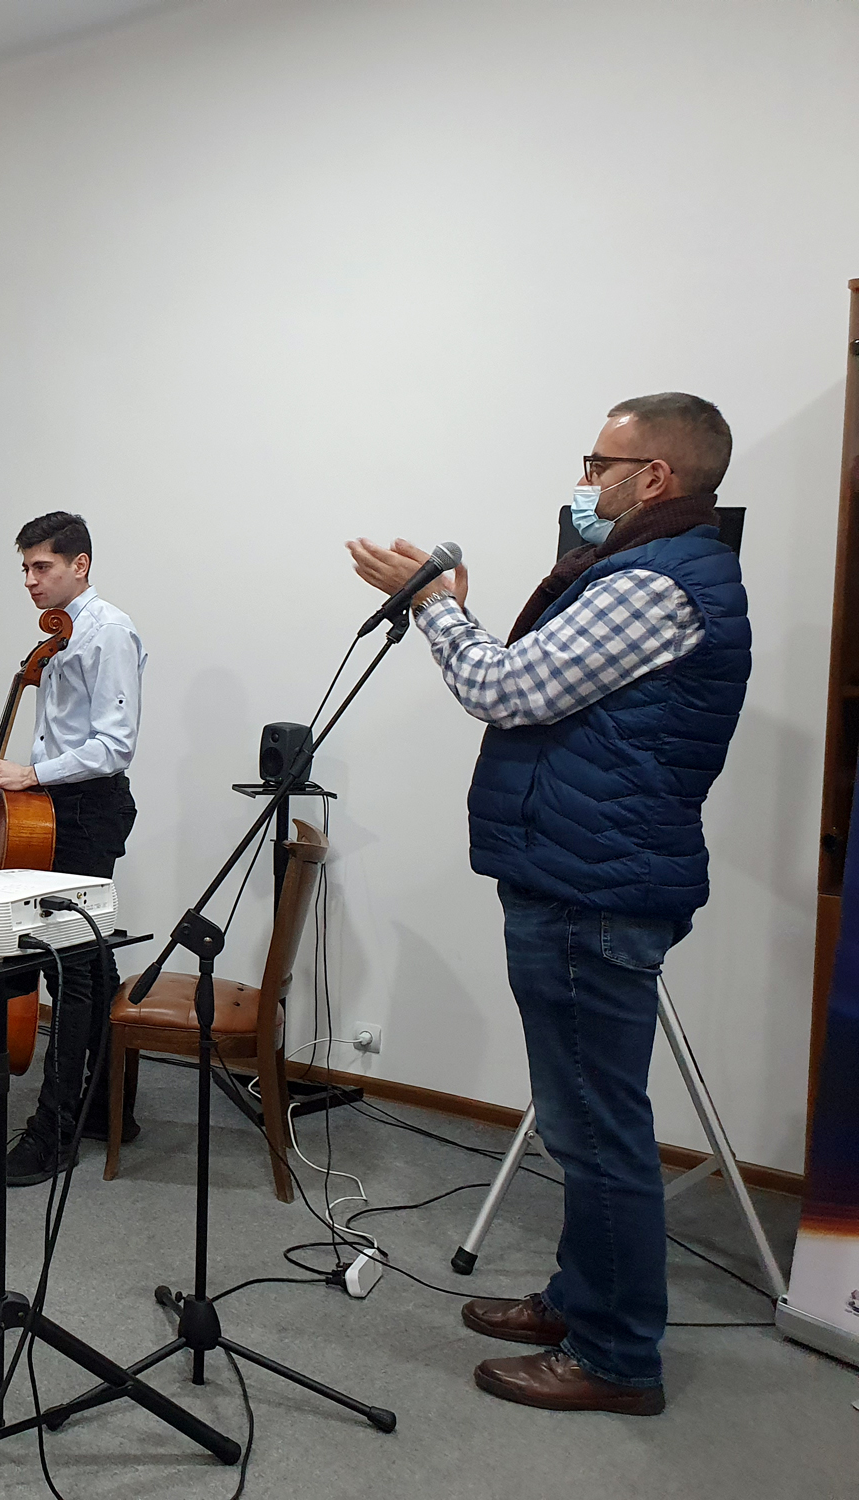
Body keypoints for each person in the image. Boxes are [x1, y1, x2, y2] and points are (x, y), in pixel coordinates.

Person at [346, 392, 749, 1416]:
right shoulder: (647, 568)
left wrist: (435, 607)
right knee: (581, 1122)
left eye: (598, 461)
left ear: (653, 477)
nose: (584, 479)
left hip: (591, 887)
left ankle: (615, 1359)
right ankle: (578, 1300)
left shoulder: (654, 581)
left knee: (596, 1131)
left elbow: (506, 689)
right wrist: (451, 609)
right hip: (580, 872)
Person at [0, 511, 146, 1187]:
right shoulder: (63, 636)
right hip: (57, 809)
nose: (29, 580)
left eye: (41, 566)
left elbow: (113, 744)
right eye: (24, 567)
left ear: (81, 565)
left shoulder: (108, 632)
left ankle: (54, 1132)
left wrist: (28, 773)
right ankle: (108, 1109)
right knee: (92, 972)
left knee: (70, 972)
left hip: (86, 812)